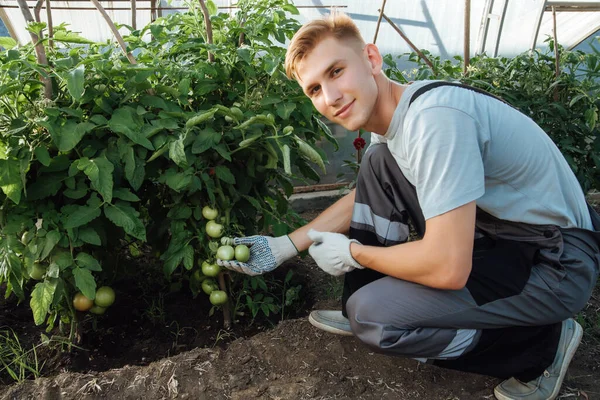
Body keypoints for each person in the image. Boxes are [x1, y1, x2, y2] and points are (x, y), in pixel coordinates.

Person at [217, 11, 600, 400]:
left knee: (377, 320)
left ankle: (541, 348)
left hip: (555, 262)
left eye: (335, 71)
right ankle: (360, 303)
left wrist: (356, 253)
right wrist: (284, 245)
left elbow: (448, 268)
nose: (330, 98)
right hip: (505, 236)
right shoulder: (403, 113)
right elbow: (362, 196)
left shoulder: (435, 121)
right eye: (314, 89)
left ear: (371, 58)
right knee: (379, 164)